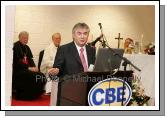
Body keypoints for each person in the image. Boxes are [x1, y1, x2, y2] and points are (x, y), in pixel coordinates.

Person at [12, 31, 46, 100]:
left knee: (42, 75)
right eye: (24, 38)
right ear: (19, 38)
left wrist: (35, 67)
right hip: (19, 70)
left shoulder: (27, 47)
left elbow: (30, 59)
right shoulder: (15, 46)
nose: (26, 40)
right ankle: (24, 96)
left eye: (27, 38)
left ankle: (36, 93)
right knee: (33, 76)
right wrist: (28, 68)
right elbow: (16, 61)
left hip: (28, 69)